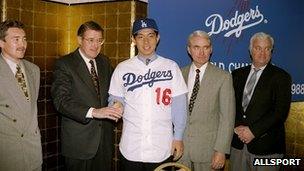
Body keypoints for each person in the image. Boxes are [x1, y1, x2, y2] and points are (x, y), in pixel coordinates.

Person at [108, 18, 188, 171]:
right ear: (133, 40)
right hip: (131, 147)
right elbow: (115, 98)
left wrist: (178, 137)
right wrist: (116, 105)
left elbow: (179, 106)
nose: (146, 42)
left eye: (150, 36)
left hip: (161, 147)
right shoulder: (122, 68)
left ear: (157, 38)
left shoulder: (171, 67)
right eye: (140, 36)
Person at [51, 21, 123, 171]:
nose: (95, 45)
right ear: (79, 40)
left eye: (99, 41)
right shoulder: (64, 64)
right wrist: (94, 112)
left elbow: (115, 90)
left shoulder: (104, 61)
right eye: (91, 40)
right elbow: (61, 101)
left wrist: (117, 103)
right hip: (79, 145)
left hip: (104, 143)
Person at [230, 32, 292, 171]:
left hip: (267, 149)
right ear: (250, 50)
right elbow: (228, 106)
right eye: (258, 48)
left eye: (267, 49)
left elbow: (280, 112)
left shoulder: (281, 77)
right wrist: (236, 127)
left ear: (271, 51)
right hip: (238, 145)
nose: (262, 53)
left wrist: (253, 131)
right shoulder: (236, 75)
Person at [178, 30, 235, 170]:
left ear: (211, 49)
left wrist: (221, 150)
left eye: (206, 47)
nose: (201, 52)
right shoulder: (179, 74)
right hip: (181, 150)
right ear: (189, 50)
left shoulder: (223, 77)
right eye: (196, 47)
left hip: (208, 152)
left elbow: (227, 118)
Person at [0, 19, 42, 170]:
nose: (22, 44)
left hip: (33, 151)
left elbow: (29, 110)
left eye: (24, 39)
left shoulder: (34, 70)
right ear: (1, 43)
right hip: (7, 153)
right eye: (16, 39)